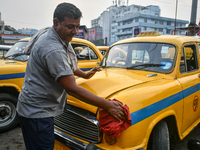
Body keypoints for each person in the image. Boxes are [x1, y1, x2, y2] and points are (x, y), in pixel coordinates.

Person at [16, 2, 124, 150]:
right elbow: (72, 89)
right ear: (56, 23)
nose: (75, 31)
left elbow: (68, 67)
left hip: (31, 108)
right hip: (37, 114)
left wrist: (85, 75)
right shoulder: (53, 49)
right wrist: (107, 104)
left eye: (77, 26)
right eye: (70, 26)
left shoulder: (54, 37)